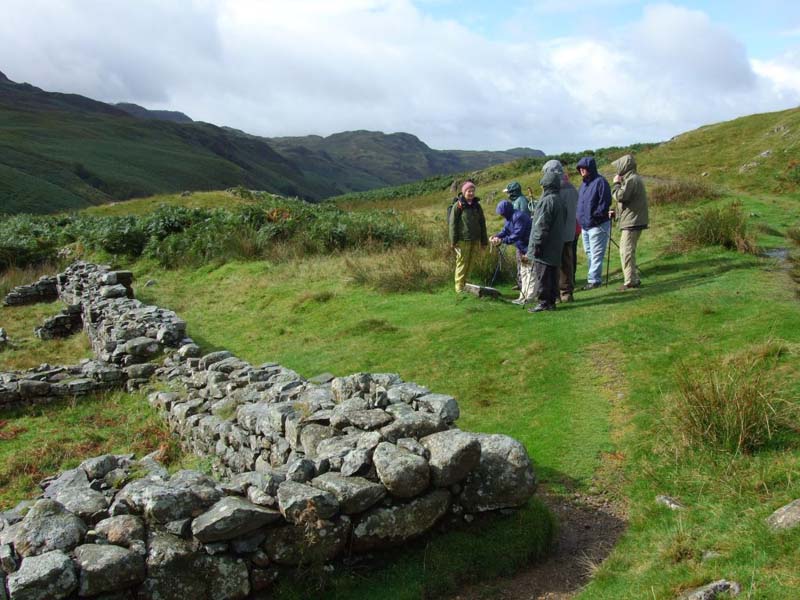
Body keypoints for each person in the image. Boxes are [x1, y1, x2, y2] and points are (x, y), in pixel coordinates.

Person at [524, 170, 567, 312]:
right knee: (552, 275)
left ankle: (543, 302)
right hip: (556, 243)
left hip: (545, 246)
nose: (541, 188)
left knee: (542, 275)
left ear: (546, 185)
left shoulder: (547, 201)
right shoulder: (560, 200)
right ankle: (551, 302)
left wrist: (537, 244)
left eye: (543, 185)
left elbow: (541, 226)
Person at [542, 160, 578, 303]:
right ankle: (567, 293)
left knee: (555, 265)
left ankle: (557, 294)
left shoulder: (555, 188)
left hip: (557, 233)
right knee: (567, 263)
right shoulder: (572, 188)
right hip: (570, 232)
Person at [611, 154, 649, 290]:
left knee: (626, 251)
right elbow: (628, 200)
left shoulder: (631, 180)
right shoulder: (632, 179)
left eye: (618, 166)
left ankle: (631, 281)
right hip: (633, 220)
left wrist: (616, 184)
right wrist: (616, 213)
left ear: (624, 166)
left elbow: (621, 196)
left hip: (632, 222)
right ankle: (632, 279)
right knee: (627, 251)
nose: (617, 169)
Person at [576, 156, 612, 290]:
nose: (582, 170)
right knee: (590, 253)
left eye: (584, 168)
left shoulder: (600, 182)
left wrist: (596, 216)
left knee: (596, 253)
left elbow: (605, 202)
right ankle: (594, 278)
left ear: (591, 168)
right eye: (580, 168)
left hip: (598, 224)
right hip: (585, 226)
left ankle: (594, 280)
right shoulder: (583, 185)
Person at [490, 200, 534, 304]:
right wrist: (496, 236)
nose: (501, 215)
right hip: (521, 248)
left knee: (530, 273)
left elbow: (517, 234)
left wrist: (502, 240)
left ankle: (530, 297)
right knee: (523, 272)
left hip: (529, 247)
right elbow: (505, 231)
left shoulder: (518, 217)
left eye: (502, 213)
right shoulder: (509, 218)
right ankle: (522, 297)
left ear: (506, 211)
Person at [448, 181, 488, 293]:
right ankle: (459, 288)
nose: (471, 193)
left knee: (471, 263)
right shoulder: (458, 206)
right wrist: (453, 241)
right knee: (462, 263)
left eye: (472, 191)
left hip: (475, 240)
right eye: (468, 191)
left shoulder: (477, 206)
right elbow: (452, 224)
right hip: (463, 240)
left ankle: (466, 285)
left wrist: (484, 241)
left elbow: (482, 223)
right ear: (463, 192)